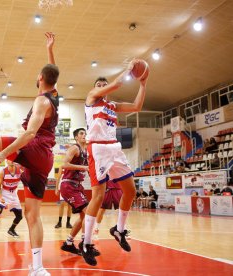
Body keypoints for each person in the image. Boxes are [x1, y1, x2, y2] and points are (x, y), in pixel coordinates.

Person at [0, 32, 59, 276]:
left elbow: (28, 135)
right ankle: (37, 268)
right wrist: (50, 49)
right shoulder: (54, 96)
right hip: (44, 160)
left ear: (39, 78)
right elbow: (53, 72)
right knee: (32, 215)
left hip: (34, 149)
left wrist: (4, 153)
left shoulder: (41, 102)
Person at [82, 59, 148, 266]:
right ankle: (86, 243)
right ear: (95, 89)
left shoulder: (112, 105)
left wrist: (143, 84)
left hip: (114, 148)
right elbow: (118, 84)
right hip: (98, 148)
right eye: (99, 85)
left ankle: (119, 230)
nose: (101, 87)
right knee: (98, 196)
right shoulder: (92, 99)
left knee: (130, 191)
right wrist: (128, 69)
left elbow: (137, 106)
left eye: (104, 85)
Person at [58, 128, 94, 257]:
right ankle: (85, 243)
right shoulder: (74, 148)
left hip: (77, 185)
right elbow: (65, 165)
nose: (84, 135)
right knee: (88, 212)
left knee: (84, 216)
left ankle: (68, 243)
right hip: (68, 184)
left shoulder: (86, 151)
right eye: (81, 134)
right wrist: (83, 167)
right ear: (76, 138)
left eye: (85, 133)